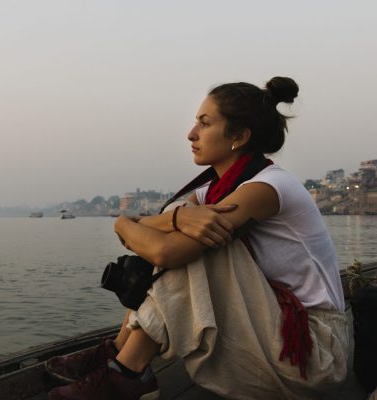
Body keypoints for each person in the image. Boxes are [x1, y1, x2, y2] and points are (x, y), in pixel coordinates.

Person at [47, 77, 348, 400]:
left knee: (199, 248)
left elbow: (164, 251)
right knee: (190, 233)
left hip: (315, 354)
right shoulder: (212, 193)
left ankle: (128, 372)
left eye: (204, 124)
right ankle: (120, 354)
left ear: (239, 136)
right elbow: (152, 234)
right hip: (274, 331)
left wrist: (127, 223)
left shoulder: (266, 188)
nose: (191, 134)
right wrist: (173, 216)